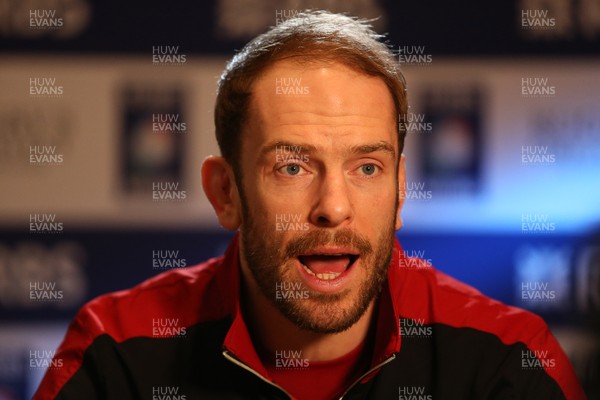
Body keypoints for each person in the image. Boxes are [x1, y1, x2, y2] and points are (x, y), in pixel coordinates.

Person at [34, 11, 585, 400]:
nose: (333, 208)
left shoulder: (507, 362)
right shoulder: (118, 353)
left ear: (399, 192)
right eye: (292, 167)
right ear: (226, 193)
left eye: (367, 168)